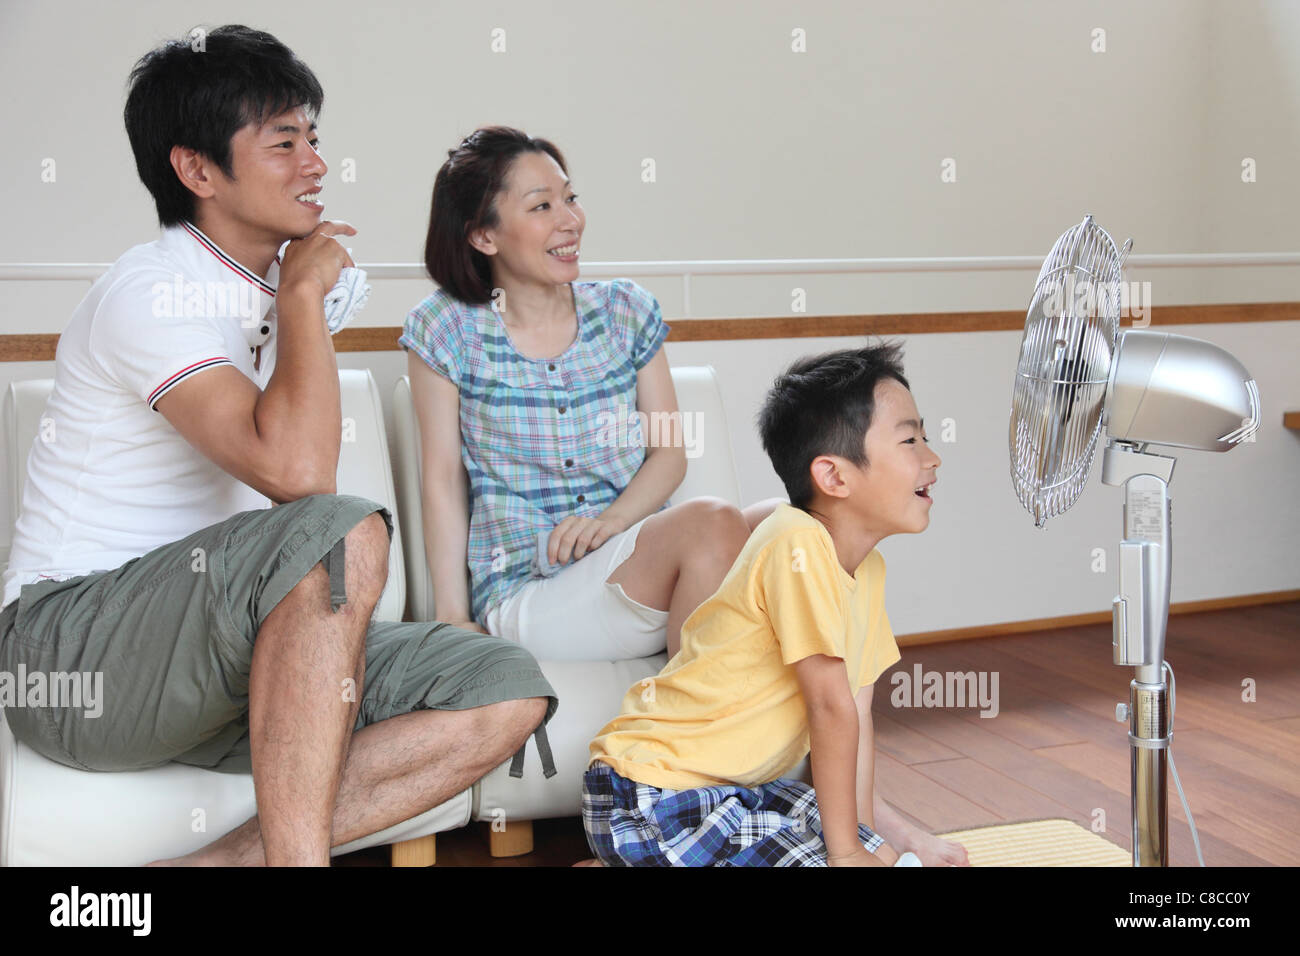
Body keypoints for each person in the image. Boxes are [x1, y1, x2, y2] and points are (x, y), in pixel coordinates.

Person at [0, 25, 556, 867]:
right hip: (76, 656)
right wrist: (300, 294)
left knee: (503, 687)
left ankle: (217, 866)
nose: (316, 166)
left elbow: (295, 491)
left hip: (211, 660)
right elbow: (298, 477)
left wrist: (296, 296)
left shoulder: (273, 285)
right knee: (340, 529)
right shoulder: (149, 292)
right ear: (197, 170)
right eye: (284, 143)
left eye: (314, 139)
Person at [582, 344, 971, 866]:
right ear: (834, 477)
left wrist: (861, 844)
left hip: (738, 792)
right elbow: (829, 706)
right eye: (910, 440)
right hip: (653, 790)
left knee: (871, 851)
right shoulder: (795, 543)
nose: (932, 457)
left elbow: (857, 709)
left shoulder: (868, 569)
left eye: (925, 437)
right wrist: (845, 854)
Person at [401, 126, 771, 662]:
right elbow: (442, 478)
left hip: (640, 562)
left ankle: (742, 707)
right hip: (532, 589)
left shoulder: (626, 310)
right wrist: (453, 617)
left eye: (570, 198)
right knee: (712, 521)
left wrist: (610, 523)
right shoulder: (446, 328)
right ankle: (689, 706)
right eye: (542, 206)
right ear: (484, 236)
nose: (570, 220)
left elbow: (669, 452)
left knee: (797, 524)